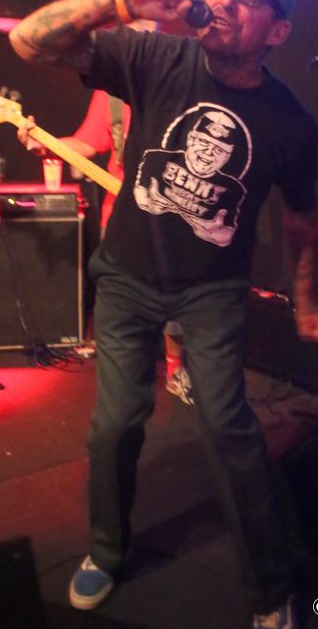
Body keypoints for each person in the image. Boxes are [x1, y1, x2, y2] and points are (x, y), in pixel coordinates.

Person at [9, 0, 318, 629]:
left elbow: (304, 219)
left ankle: (270, 587)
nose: (223, 0)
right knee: (114, 424)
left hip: (212, 292)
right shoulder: (156, 56)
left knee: (228, 427)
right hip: (126, 278)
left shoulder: (290, 122)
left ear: (277, 31)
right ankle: (106, 551)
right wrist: (121, 2)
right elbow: (27, 41)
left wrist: (305, 296)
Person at [17, 88, 193, 405]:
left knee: (175, 296)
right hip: (119, 216)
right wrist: (42, 144)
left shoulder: (180, 84)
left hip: (172, 211)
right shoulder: (110, 94)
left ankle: (175, 368)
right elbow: (84, 144)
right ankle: (125, 378)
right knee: (121, 300)